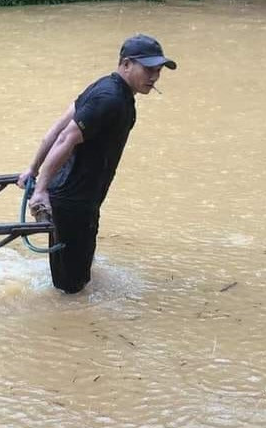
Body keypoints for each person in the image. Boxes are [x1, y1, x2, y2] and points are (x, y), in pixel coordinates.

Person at [18, 34, 176, 293]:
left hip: (71, 197)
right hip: (74, 203)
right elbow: (64, 139)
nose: (155, 77)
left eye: (158, 70)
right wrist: (39, 191)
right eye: (148, 69)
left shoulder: (105, 87)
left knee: (70, 276)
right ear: (126, 64)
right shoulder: (110, 99)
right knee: (73, 291)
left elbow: (56, 129)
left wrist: (33, 170)